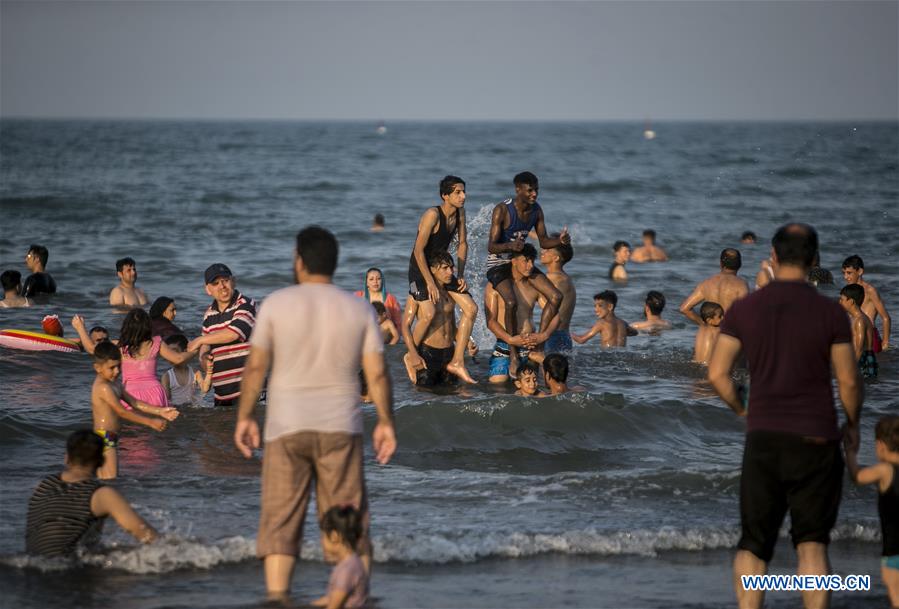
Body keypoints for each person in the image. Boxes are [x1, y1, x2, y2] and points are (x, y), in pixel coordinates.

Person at [233, 226, 396, 601]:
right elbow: (376, 373)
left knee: (280, 519)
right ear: (334, 265)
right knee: (349, 517)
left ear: (299, 261)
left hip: (285, 428)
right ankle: (358, 596)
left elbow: (255, 368)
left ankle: (278, 597)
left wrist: (243, 417)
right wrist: (386, 421)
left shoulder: (276, 303)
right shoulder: (357, 308)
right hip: (340, 426)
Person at [707, 223, 863, 609]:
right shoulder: (830, 313)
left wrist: (744, 409)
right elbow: (848, 381)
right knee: (811, 545)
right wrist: (853, 423)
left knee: (754, 544)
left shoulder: (746, 308)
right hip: (817, 439)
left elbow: (717, 373)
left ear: (773, 257)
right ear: (814, 260)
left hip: (765, 438)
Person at [25, 430, 160, 557]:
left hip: (31, 565)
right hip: (67, 573)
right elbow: (146, 535)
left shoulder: (44, 484)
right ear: (102, 461)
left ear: (66, 458)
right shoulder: (101, 494)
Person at [486, 171, 568, 372]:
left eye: (536, 190)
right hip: (498, 262)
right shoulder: (502, 210)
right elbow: (491, 246)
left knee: (556, 296)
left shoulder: (536, 210)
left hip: (522, 261)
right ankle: (513, 354)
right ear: (518, 190)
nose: (534, 194)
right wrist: (510, 246)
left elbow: (544, 241)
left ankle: (538, 346)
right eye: (530, 190)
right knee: (511, 302)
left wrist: (560, 241)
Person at [407, 175, 478, 384]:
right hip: (419, 270)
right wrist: (429, 281)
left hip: (441, 269)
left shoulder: (460, 213)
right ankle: (410, 355)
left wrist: (461, 275)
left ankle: (457, 361)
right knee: (428, 312)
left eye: (464, 191)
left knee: (471, 309)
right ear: (445, 196)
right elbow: (418, 251)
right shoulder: (432, 215)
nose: (463, 196)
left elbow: (463, 244)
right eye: (458, 192)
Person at [85, 341, 179, 479]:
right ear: (97, 368)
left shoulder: (115, 384)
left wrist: (160, 411)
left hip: (111, 436)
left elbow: (134, 402)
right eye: (111, 368)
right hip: (103, 436)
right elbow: (121, 411)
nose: (117, 371)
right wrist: (150, 422)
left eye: (119, 366)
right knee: (111, 478)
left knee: (105, 477)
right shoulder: (103, 387)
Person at [73, 310, 195, 407]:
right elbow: (178, 359)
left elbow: (91, 349)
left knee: (132, 434)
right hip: (155, 393)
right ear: (148, 327)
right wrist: (195, 349)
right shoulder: (156, 342)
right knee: (156, 432)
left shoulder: (120, 346)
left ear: (126, 327)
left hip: (131, 394)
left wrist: (80, 328)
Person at [844, 415, 899, 608]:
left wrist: (850, 452)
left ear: (881, 445)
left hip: (894, 549)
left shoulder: (886, 470)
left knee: (895, 594)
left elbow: (857, 476)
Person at [485, 246, 560, 383]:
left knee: (533, 389)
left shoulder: (534, 286)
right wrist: (510, 339)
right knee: (497, 384)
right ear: (513, 261)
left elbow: (555, 315)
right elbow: (490, 321)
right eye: (526, 261)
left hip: (530, 346)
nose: (530, 265)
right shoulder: (494, 286)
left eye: (532, 261)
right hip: (505, 346)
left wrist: (544, 335)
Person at [187, 264, 257, 407]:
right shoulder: (208, 314)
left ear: (233, 281)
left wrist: (199, 340)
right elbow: (204, 352)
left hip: (250, 391)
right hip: (222, 394)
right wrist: (204, 359)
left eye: (225, 280)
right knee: (219, 430)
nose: (222, 286)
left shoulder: (246, 304)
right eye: (215, 283)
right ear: (208, 289)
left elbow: (233, 334)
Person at [402, 253, 461, 386]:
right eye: (445, 268)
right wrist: (413, 354)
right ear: (433, 270)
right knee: (425, 397)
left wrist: (468, 342)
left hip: (450, 352)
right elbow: (405, 325)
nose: (450, 272)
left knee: (453, 396)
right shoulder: (420, 295)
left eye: (452, 268)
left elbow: (451, 325)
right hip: (428, 353)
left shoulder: (450, 293)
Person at [312, 506, 369, 609]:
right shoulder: (352, 562)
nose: (321, 541)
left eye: (323, 536)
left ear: (334, 536)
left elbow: (334, 606)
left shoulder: (347, 570)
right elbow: (332, 597)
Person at [679, 248, 749, 324]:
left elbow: (684, 309)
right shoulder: (741, 285)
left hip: (711, 333)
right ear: (740, 264)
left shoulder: (706, 283)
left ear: (721, 263)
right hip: (729, 331)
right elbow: (746, 314)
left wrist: (704, 324)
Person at [842, 255, 891, 352]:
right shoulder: (848, 291)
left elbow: (885, 318)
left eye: (849, 273)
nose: (845, 277)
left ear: (860, 271)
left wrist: (885, 343)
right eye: (844, 273)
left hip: (869, 335)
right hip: (854, 334)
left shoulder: (869, 290)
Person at [539, 239, 576, 354]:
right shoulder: (565, 277)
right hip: (565, 335)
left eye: (548, 250)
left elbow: (550, 309)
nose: (542, 252)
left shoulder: (552, 278)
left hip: (552, 335)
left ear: (556, 258)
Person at [161, 334, 214, 406]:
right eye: (169, 353)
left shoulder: (195, 372)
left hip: (191, 408)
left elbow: (205, 389)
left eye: (175, 351)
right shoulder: (167, 376)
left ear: (185, 352)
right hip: (176, 410)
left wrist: (209, 372)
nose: (172, 356)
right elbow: (166, 400)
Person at [839, 284, 878, 379]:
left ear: (851, 301)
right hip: (863, 357)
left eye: (842, 299)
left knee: (860, 389)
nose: (839, 302)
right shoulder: (856, 318)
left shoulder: (860, 320)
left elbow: (859, 348)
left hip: (863, 359)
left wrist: (850, 368)